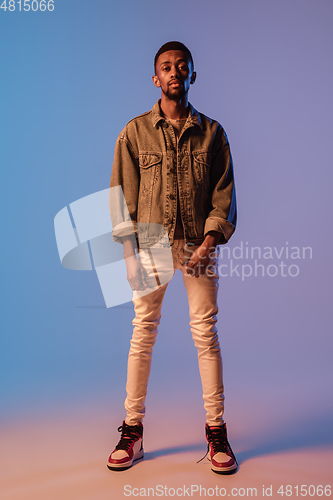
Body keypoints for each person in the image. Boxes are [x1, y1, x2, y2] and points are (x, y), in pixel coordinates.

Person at [107, 41, 237, 474]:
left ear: (193, 75)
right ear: (155, 78)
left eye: (182, 66)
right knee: (143, 331)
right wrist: (129, 254)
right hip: (150, 244)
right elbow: (120, 196)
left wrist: (208, 243)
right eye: (166, 67)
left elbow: (224, 197)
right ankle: (132, 430)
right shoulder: (134, 133)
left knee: (206, 334)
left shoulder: (214, 133)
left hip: (199, 249)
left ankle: (216, 431)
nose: (174, 72)